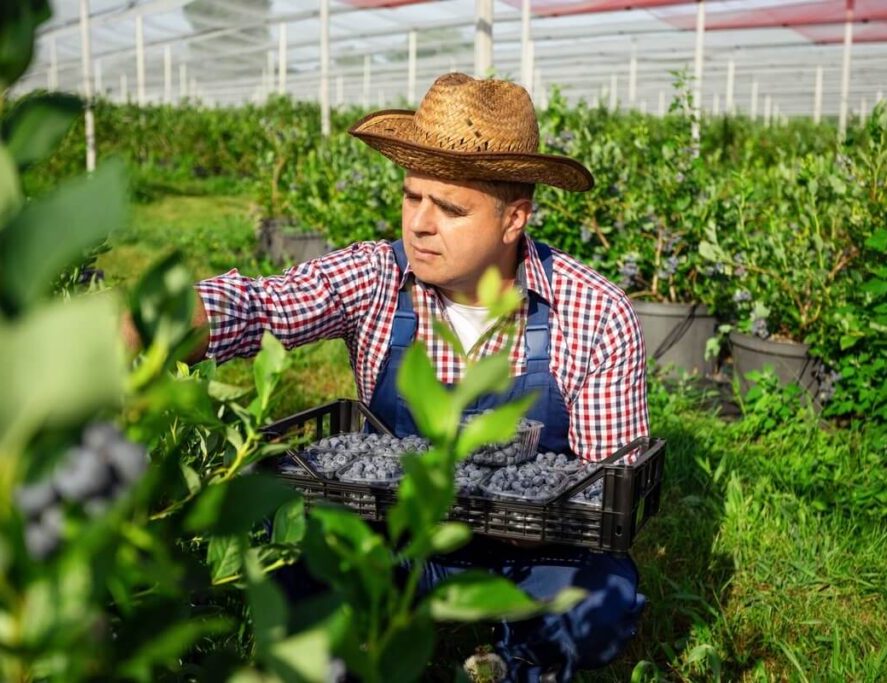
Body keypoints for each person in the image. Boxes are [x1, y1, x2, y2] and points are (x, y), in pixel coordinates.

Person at [172, 73, 650, 682]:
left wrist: (523, 513)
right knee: (293, 542)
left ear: (514, 219)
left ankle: (516, 664)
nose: (420, 223)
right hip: (388, 536)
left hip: (527, 552)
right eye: (411, 197)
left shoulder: (594, 312)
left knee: (604, 597)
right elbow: (264, 305)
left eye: (450, 208)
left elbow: (608, 491)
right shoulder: (375, 278)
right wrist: (157, 318)